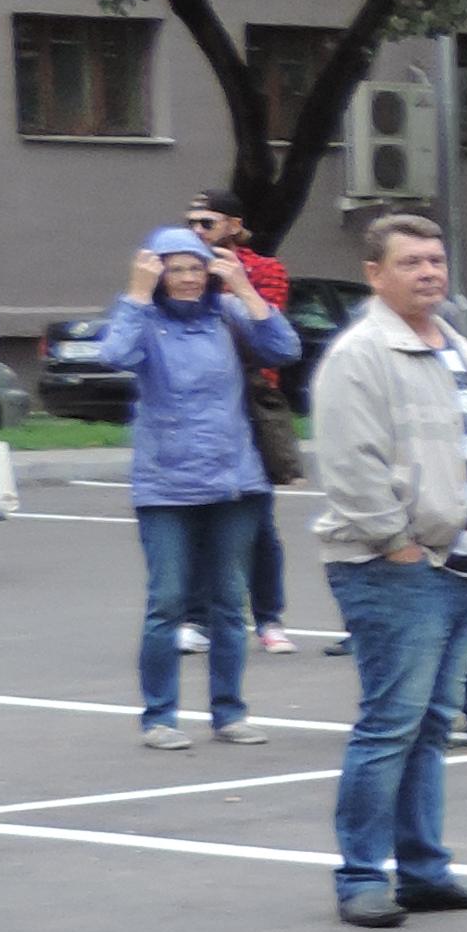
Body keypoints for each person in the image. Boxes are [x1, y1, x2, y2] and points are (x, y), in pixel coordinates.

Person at [304, 213, 467, 920]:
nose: (429, 272)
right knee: (391, 724)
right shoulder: (362, 354)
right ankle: (362, 878)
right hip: (400, 570)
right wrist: (398, 544)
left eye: (436, 260)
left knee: (431, 726)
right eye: (411, 262)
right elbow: (350, 465)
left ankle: (424, 871)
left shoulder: (456, 347)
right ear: (374, 275)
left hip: (465, 572)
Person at [99, 223, 301, 752]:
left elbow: (285, 349)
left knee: (229, 603)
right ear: (157, 273)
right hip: (166, 485)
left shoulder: (226, 314)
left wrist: (246, 289)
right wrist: (137, 294)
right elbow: (115, 355)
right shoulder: (144, 318)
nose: (188, 278)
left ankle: (229, 713)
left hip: (234, 480)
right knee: (167, 602)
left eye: (195, 268)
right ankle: (159, 717)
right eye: (175, 270)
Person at [181, 192, 299, 649]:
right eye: (191, 223)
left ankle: (269, 619)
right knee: (194, 516)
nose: (197, 231)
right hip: (194, 402)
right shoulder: (181, 268)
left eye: (206, 223)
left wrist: (232, 284)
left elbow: (269, 335)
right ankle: (197, 619)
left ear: (233, 224)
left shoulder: (262, 269)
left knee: (258, 520)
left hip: (249, 400)